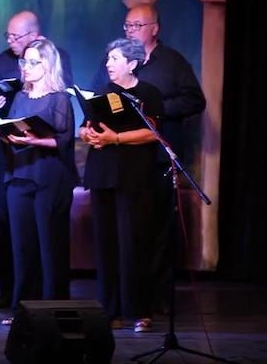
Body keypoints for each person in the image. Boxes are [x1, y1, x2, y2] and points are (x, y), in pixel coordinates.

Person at [0, 10, 74, 310]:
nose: (27, 67)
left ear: (48, 65)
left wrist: (36, 139)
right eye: (25, 62)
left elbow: (62, 140)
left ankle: (52, 307)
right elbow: (15, 135)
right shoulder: (20, 97)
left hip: (48, 178)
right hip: (19, 176)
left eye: (34, 62)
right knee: (22, 246)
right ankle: (22, 308)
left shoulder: (58, 98)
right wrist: (1, 129)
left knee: (49, 246)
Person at [121, 3, 206, 315]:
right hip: (126, 160)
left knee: (159, 230)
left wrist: (157, 109)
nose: (131, 31)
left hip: (159, 159)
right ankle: (130, 297)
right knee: (132, 229)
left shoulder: (172, 62)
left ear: (154, 28)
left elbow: (195, 100)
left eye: (137, 26)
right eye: (127, 26)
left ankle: (157, 297)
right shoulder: (121, 62)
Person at [79, 38, 163, 333]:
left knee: (134, 243)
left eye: (114, 59)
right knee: (106, 245)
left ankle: (138, 310)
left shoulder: (148, 93)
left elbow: (152, 132)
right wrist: (88, 135)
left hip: (134, 177)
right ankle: (109, 309)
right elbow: (84, 127)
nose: (108, 64)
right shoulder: (103, 93)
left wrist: (115, 138)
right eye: (108, 59)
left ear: (132, 63)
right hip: (103, 175)